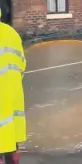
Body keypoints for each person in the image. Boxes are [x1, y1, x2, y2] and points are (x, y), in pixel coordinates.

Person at [0, 8, 26, 164]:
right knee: (11, 138)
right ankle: (13, 157)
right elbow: (22, 64)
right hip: (13, 97)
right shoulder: (12, 33)